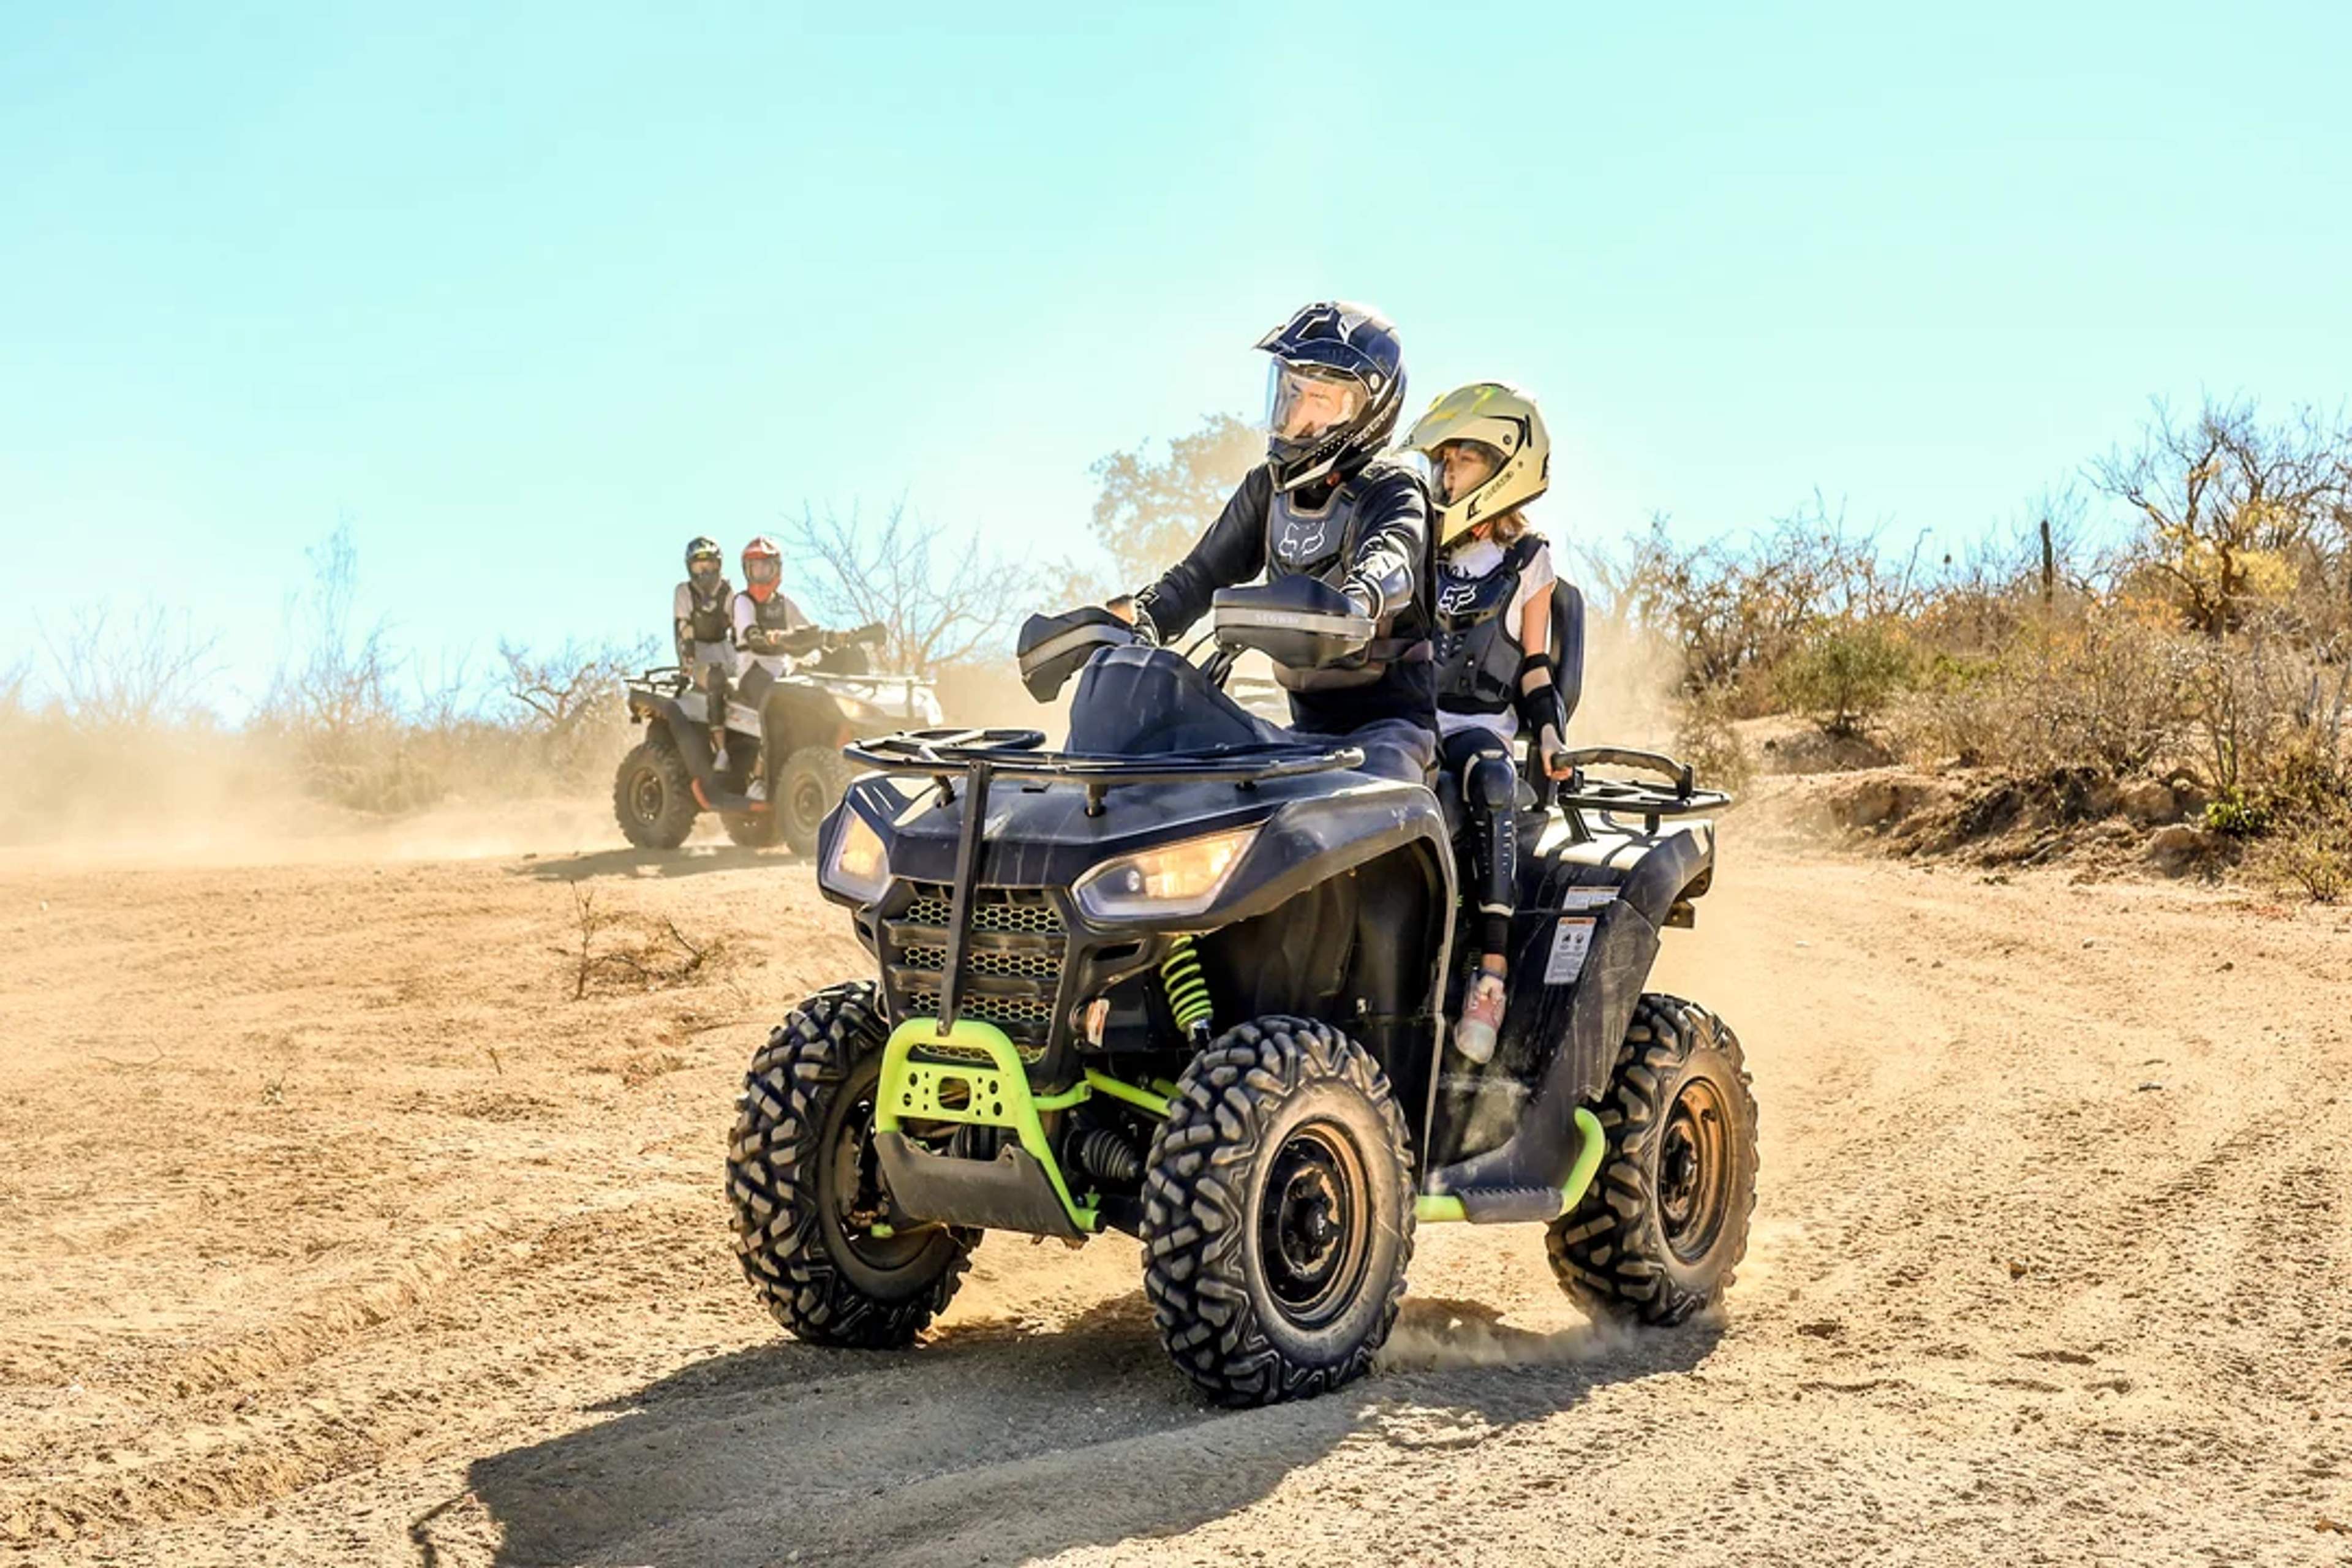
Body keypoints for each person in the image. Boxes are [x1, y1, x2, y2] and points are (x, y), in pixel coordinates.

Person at [1111, 301, 1438, 786]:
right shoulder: (1267, 488)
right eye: (1292, 392)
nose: (1297, 413)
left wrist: (1363, 596)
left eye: (1320, 400)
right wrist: (1135, 619)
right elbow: (1198, 577)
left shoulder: (1393, 490)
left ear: (1369, 412)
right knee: (1183, 787)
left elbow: (1391, 554)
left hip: (1388, 735)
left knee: (1365, 808)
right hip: (1301, 734)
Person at [1404, 382, 1572, 1063]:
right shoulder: (1421, 552)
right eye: (1443, 462)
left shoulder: (1528, 564)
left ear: (1506, 466)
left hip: (1479, 729)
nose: (1447, 475)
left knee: (1493, 778)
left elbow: (1533, 665)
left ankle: (1492, 976)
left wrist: (1552, 733)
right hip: (1409, 720)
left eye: (1463, 461)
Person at [674, 537, 738, 769]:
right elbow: (684, 631)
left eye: (710, 566)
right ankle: (721, 752)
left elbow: (738, 625)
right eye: (698, 567)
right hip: (699, 651)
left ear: (718, 565)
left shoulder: (728, 590)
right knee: (715, 679)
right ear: (689, 567)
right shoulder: (684, 592)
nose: (705, 572)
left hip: (724, 648)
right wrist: (687, 663)